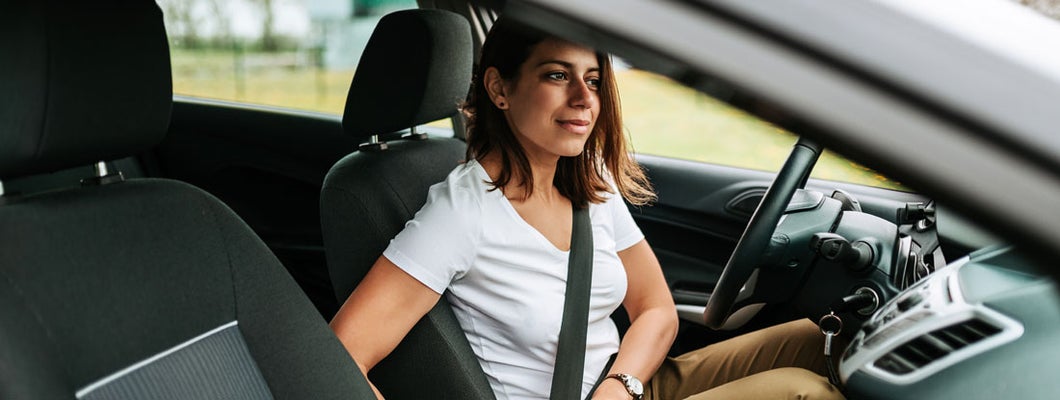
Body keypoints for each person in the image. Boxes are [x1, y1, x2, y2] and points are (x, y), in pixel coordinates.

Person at [329, 17, 844, 400]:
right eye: (557, 76)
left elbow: (657, 309)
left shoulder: (589, 178)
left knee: (820, 339)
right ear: (499, 89)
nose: (583, 98)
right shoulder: (461, 212)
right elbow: (340, 355)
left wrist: (621, 385)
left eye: (593, 80)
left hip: (631, 384)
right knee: (803, 392)